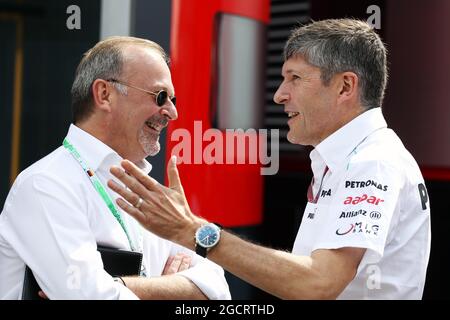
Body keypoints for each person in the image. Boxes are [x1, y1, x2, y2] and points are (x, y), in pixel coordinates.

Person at [107, 19, 431, 299]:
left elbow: (320, 284)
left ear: (345, 86)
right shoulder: (355, 156)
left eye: (295, 78)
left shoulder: (371, 161)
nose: (279, 94)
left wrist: (193, 232)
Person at [0, 36, 230, 300]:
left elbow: (219, 291)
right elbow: (90, 297)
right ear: (104, 94)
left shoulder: (153, 192)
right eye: (161, 96)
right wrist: (175, 288)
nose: (172, 112)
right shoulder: (45, 185)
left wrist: (123, 285)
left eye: (172, 99)